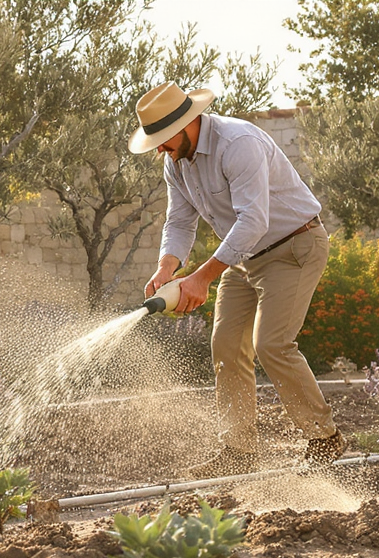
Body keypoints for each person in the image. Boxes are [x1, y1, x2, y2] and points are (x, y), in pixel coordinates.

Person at [129, 82, 346, 475]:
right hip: (244, 258)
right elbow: (179, 222)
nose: (160, 150)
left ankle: (324, 437)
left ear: (187, 123)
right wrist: (166, 267)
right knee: (226, 345)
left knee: (272, 344)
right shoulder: (176, 161)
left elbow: (253, 220)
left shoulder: (238, 143)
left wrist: (202, 278)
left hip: (293, 246)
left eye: (163, 140)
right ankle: (239, 451)